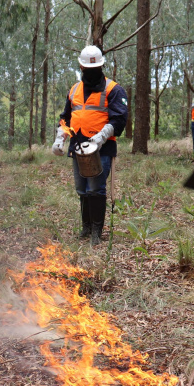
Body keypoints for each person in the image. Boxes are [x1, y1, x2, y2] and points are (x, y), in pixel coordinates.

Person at [51, 45, 128, 245]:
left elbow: (119, 119)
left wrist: (101, 137)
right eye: (88, 68)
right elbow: (66, 118)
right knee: (82, 189)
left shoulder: (113, 89)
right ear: (81, 67)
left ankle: (96, 231)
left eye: (95, 68)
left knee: (96, 189)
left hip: (101, 148)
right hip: (78, 147)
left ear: (101, 66)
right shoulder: (74, 89)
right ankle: (86, 227)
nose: (91, 72)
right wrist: (60, 137)